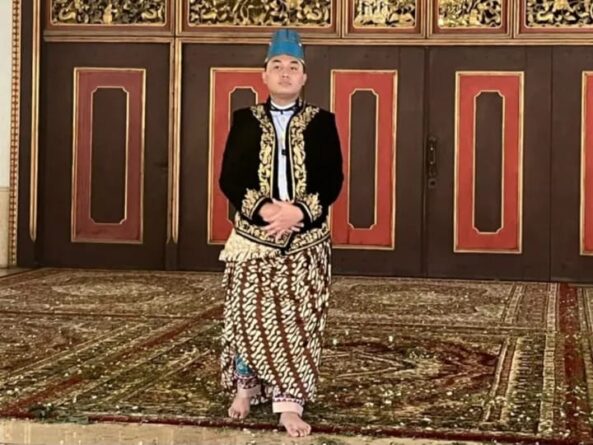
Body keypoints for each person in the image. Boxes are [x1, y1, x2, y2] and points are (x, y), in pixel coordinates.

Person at [218, 28, 343, 438]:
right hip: (252, 240)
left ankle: (289, 404)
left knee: (297, 322)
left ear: (304, 77)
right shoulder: (245, 120)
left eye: (293, 67)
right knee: (248, 316)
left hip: (306, 239)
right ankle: (246, 387)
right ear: (264, 75)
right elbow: (230, 177)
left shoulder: (322, 122)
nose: (285, 73)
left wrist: (297, 212)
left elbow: (332, 179)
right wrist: (266, 210)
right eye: (277, 66)